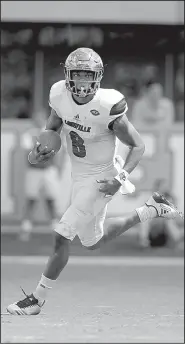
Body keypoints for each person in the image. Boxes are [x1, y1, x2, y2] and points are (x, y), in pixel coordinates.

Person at [7, 47, 183, 315]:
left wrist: (120, 178)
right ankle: (150, 209)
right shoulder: (59, 95)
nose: (81, 82)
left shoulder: (107, 105)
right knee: (92, 241)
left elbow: (137, 145)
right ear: (68, 76)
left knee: (62, 234)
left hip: (103, 176)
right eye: (77, 75)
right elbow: (52, 128)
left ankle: (37, 299)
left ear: (97, 77)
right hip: (79, 174)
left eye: (87, 76)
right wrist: (41, 149)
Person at [19, 110, 60, 241]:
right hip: (34, 171)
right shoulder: (28, 135)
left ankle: (55, 227)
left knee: (51, 199)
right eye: (36, 117)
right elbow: (29, 155)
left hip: (49, 170)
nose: (39, 120)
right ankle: (26, 227)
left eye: (41, 117)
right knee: (31, 199)